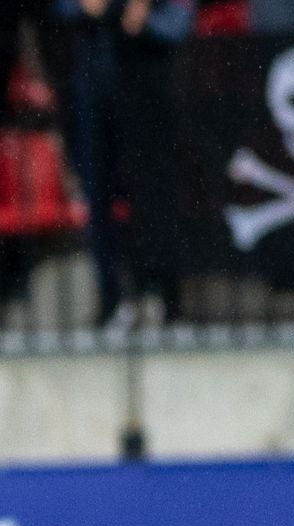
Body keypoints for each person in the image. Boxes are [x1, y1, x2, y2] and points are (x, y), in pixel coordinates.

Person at [59, 0, 191, 331]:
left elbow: (176, 22)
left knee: (154, 188)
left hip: (148, 72)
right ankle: (112, 299)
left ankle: (164, 296)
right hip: (94, 72)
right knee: (97, 189)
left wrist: (142, 12)